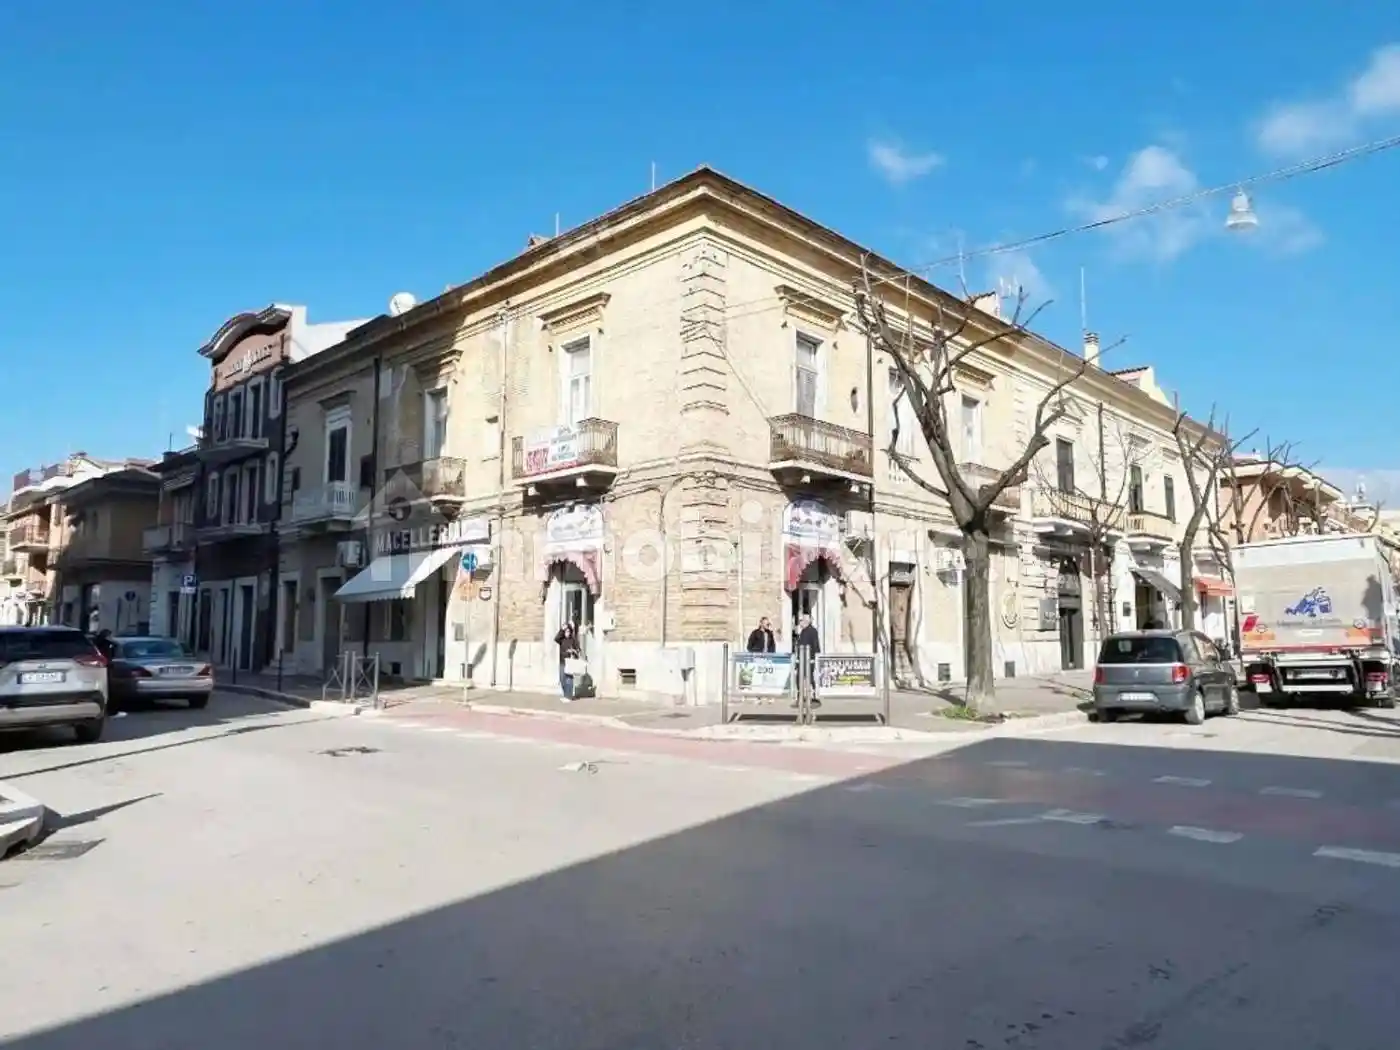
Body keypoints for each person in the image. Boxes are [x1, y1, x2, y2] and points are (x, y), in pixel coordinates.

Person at [794, 613, 821, 709]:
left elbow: (815, 645)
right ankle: (800, 697)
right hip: (802, 659)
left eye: (801, 621)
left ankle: (813, 697)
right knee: (799, 678)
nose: (800, 622)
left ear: (806, 621)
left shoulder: (812, 631)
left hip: (809, 659)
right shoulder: (802, 631)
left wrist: (813, 659)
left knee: (809, 678)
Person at [554, 622, 582, 703]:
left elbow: (578, 649)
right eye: (566, 632)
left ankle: (568, 696)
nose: (567, 633)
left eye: (568, 631)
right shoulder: (561, 640)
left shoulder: (573, 640)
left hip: (570, 662)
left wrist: (573, 651)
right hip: (562, 662)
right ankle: (566, 695)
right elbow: (556, 638)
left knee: (569, 679)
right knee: (562, 679)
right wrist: (562, 629)